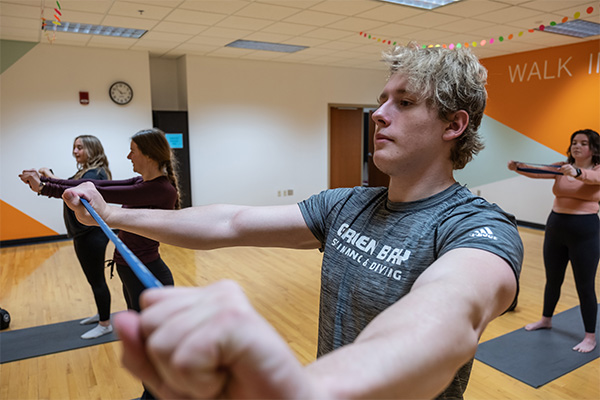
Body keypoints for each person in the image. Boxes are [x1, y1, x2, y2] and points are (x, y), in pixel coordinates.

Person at [63, 43, 523, 399]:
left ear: (453, 125)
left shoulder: (478, 227)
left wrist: (311, 389)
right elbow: (232, 222)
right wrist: (111, 212)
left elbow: (450, 315)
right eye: (380, 100)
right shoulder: (348, 206)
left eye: (403, 103)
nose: (378, 115)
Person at [21, 128, 180, 399]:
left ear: (150, 155)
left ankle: (158, 396)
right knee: (143, 342)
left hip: (147, 275)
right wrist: (48, 184)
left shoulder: (160, 190)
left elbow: (104, 193)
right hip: (131, 273)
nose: (128, 155)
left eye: (133, 151)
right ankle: (150, 395)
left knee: (150, 344)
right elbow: (101, 187)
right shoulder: (142, 182)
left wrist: (46, 187)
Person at [508, 129, 600, 353]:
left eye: (583, 143)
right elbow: (539, 172)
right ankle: (545, 319)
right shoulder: (562, 167)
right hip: (556, 228)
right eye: (574, 142)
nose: (577, 146)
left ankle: (590, 336)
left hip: (585, 232)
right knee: (552, 279)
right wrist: (518, 166)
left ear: (594, 148)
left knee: (585, 285)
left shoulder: (595, 170)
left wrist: (576, 172)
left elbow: (592, 178)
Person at [19, 135, 113, 339]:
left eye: (80, 147)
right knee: (93, 279)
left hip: (92, 234)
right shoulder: (86, 171)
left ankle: (105, 323)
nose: (75, 151)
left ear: (92, 149)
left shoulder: (96, 173)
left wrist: (48, 176)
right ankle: (101, 314)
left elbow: (69, 189)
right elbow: (66, 186)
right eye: (74, 147)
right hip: (83, 234)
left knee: (97, 280)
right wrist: (45, 178)